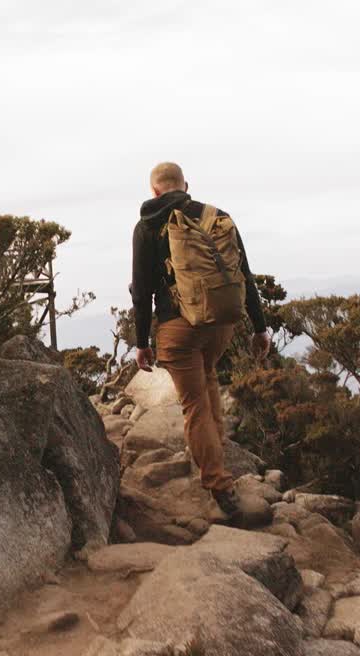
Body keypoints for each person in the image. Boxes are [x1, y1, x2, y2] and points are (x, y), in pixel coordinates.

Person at [131, 162, 270, 518]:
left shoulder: (147, 226)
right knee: (208, 383)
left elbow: (142, 290)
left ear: (155, 192)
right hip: (220, 323)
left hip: (178, 327)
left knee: (194, 404)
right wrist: (259, 326)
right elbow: (244, 273)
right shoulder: (217, 217)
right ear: (186, 186)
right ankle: (217, 466)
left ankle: (220, 488)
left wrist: (141, 341)